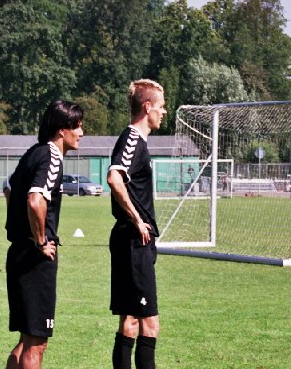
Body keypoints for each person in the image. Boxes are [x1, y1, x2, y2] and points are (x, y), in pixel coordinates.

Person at [5, 100, 84, 369]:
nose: (81, 133)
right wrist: (39, 241)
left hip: (17, 253)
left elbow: (8, 187)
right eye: (77, 126)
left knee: (24, 342)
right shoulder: (51, 156)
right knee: (37, 344)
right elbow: (34, 200)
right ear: (62, 130)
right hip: (34, 258)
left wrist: (20, 227)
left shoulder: (32, 153)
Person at [108, 79, 167, 369]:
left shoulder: (139, 142)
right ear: (147, 107)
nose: (163, 112)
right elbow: (114, 178)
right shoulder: (132, 138)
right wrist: (138, 220)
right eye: (160, 106)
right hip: (134, 240)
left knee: (130, 321)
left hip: (132, 241)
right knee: (149, 323)